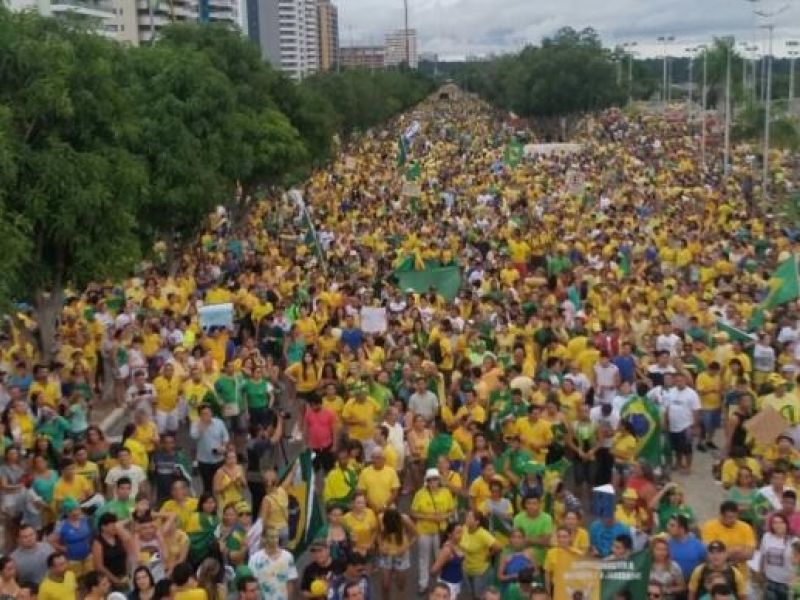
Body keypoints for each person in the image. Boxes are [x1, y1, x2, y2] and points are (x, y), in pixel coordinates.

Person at [411, 468, 456, 594]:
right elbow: (413, 512)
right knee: (423, 558)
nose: (433, 482)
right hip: (424, 530)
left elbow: (452, 510)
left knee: (440, 557)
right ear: (427, 481)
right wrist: (430, 517)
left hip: (441, 531)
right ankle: (423, 584)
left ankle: (440, 584)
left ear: (439, 480)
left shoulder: (446, 492)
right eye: (430, 480)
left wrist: (444, 516)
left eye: (435, 479)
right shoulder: (420, 494)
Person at [459, 509, 501, 599]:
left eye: (469, 517)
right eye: (467, 516)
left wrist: (489, 555)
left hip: (480, 572)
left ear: (477, 522)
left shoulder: (483, 534)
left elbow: (498, 547)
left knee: (479, 596)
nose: (466, 519)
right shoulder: (464, 528)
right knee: (470, 594)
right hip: (466, 569)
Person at [376, 507, 417, 600]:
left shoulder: (405, 519)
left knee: (400, 585)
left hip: (401, 553)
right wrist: (380, 546)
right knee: (385, 585)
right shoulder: (380, 518)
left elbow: (415, 535)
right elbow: (378, 534)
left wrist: (405, 548)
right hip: (386, 553)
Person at [248, 527, 298, 600]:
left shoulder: (288, 557)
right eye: (271, 537)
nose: (275, 540)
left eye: (276, 536)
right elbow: (252, 583)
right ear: (264, 538)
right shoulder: (255, 559)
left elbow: (290, 582)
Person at [190, 404, 230, 494]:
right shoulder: (195, 424)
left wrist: (223, 446)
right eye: (204, 414)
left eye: (208, 413)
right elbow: (194, 436)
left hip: (219, 459)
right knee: (207, 486)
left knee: (221, 483)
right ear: (200, 415)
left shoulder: (219, 422)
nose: (207, 415)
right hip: (204, 461)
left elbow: (226, 437)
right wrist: (202, 426)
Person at [759, 512, 796, 600]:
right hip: (770, 581)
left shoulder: (794, 541)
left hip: (787, 584)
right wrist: (761, 573)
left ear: (786, 524)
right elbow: (762, 556)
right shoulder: (767, 537)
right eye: (775, 523)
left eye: (781, 522)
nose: (778, 525)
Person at [666, 514, 707, 581]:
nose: (668, 527)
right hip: (673, 583)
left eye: (672, 526)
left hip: (693, 582)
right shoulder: (667, 544)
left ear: (682, 529)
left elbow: (706, 561)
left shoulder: (697, 545)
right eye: (668, 524)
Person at [430, 523, 464, 600]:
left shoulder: (458, 544)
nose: (461, 535)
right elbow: (433, 570)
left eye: (462, 532)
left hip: (456, 582)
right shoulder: (447, 550)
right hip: (447, 584)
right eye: (458, 532)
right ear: (449, 534)